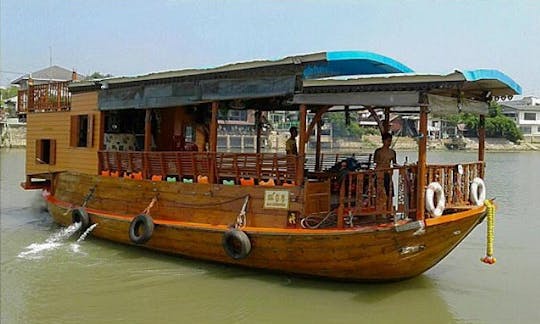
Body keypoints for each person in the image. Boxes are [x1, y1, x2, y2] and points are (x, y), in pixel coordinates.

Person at [374, 132, 397, 198]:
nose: (389, 143)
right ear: (383, 141)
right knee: (379, 193)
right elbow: (375, 162)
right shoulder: (378, 151)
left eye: (390, 141)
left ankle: (389, 206)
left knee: (389, 193)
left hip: (388, 174)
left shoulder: (392, 152)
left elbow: (394, 163)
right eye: (388, 141)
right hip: (379, 173)